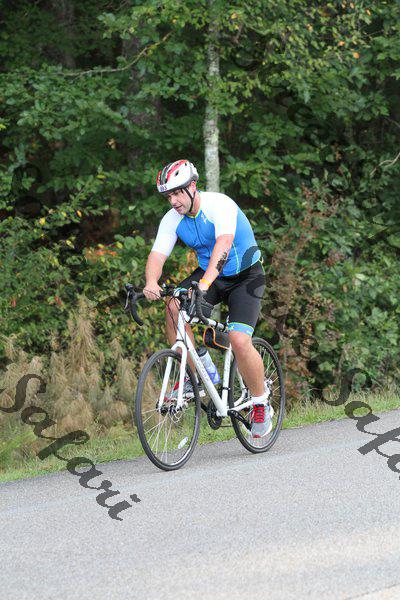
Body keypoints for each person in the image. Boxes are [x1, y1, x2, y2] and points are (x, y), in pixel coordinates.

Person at [143, 159, 272, 437]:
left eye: (177, 193)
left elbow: (223, 247)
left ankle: (260, 402)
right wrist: (151, 282)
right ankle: (195, 374)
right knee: (173, 307)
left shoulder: (219, 205)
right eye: (168, 196)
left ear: (192, 187)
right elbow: (157, 255)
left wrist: (203, 284)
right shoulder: (173, 218)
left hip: (245, 276)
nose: (173, 201)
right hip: (210, 274)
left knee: (239, 340)